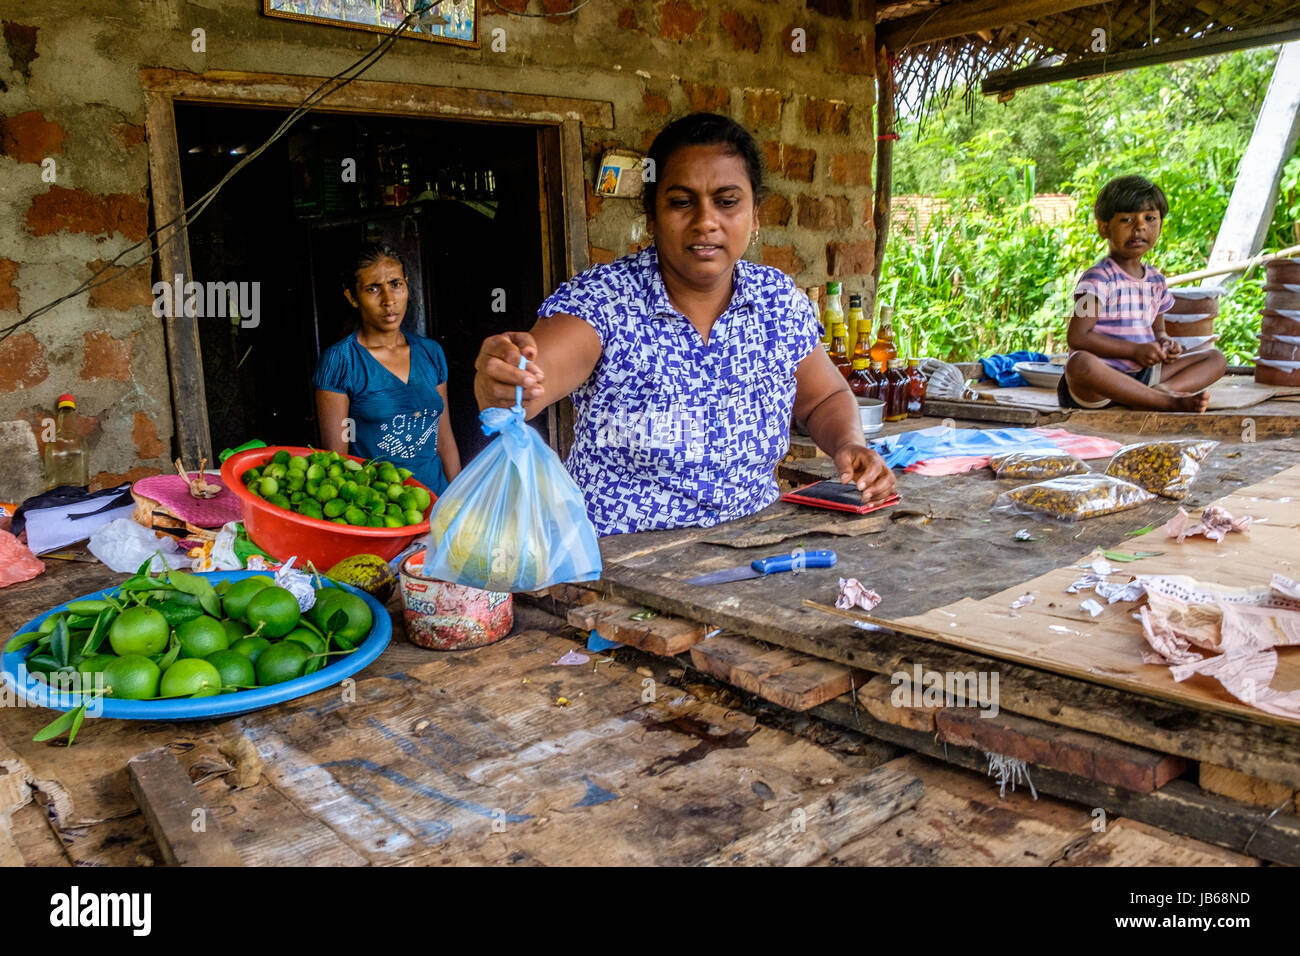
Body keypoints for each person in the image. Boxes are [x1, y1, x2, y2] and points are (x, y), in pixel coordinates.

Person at [472, 112, 895, 536]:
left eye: (727, 202)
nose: (705, 221)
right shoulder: (607, 299)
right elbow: (535, 375)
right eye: (681, 201)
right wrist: (509, 382)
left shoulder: (776, 300)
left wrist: (848, 443)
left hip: (755, 544)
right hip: (625, 565)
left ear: (755, 214)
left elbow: (822, 398)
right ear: (652, 215)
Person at [1059, 175, 1226, 412]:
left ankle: (1160, 391)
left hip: (1144, 375)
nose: (1139, 227)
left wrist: (1165, 344)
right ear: (1103, 228)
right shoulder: (1098, 278)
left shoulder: (1156, 281)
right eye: (1127, 220)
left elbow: (1157, 331)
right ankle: (1167, 401)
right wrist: (1134, 351)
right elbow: (1078, 337)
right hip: (1100, 385)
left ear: (1160, 225)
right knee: (1080, 363)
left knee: (1215, 359)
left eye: (1149, 219)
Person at [314, 243, 461, 495]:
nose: (388, 300)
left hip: (440, 501)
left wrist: (461, 497)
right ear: (352, 297)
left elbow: (444, 438)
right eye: (373, 289)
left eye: (395, 284)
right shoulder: (342, 361)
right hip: (383, 511)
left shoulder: (431, 353)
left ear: (406, 284)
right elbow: (336, 461)